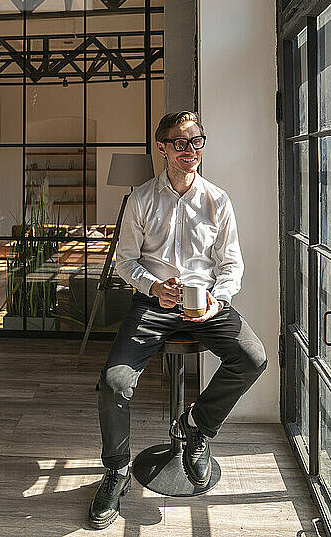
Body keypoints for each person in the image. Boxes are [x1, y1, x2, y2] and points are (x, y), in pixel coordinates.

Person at [88, 111, 268, 529]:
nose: (191, 150)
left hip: (206, 304)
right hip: (153, 304)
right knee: (114, 382)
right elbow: (125, 261)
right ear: (163, 147)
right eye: (181, 142)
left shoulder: (218, 201)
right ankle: (116, 471)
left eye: (197, 141)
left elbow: (231, 265)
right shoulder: (140, 200)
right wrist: (153, 287)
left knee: (253, 358)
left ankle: (196, 428)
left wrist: (216, 299)